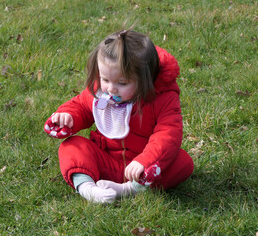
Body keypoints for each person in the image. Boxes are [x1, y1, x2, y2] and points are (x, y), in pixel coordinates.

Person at [44, 29, 194, 203]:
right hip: (105, 159)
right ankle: (88, 189)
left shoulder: (163, 98)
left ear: (145, 79)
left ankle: (128, 190)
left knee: (182, 162)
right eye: (105, 79)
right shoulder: (101, 93)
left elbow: (168, 134)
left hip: (141, 169)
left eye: (122, 83)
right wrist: (68, 115)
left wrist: (145, 161)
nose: (111, 88)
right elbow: (82, 106)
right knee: (72, 146)